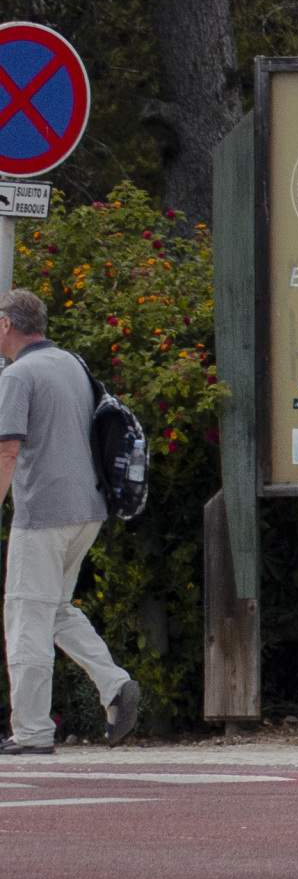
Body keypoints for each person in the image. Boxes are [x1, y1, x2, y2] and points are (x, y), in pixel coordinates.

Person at [0, 289, 138, 753]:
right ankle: (115, 684)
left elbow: (7, 450)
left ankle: (33, 732)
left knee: (26, 616)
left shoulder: (18, 376)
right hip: (88, 510)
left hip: (42, 514)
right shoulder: (71, 364)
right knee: (56, 610)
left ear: (6, 325)